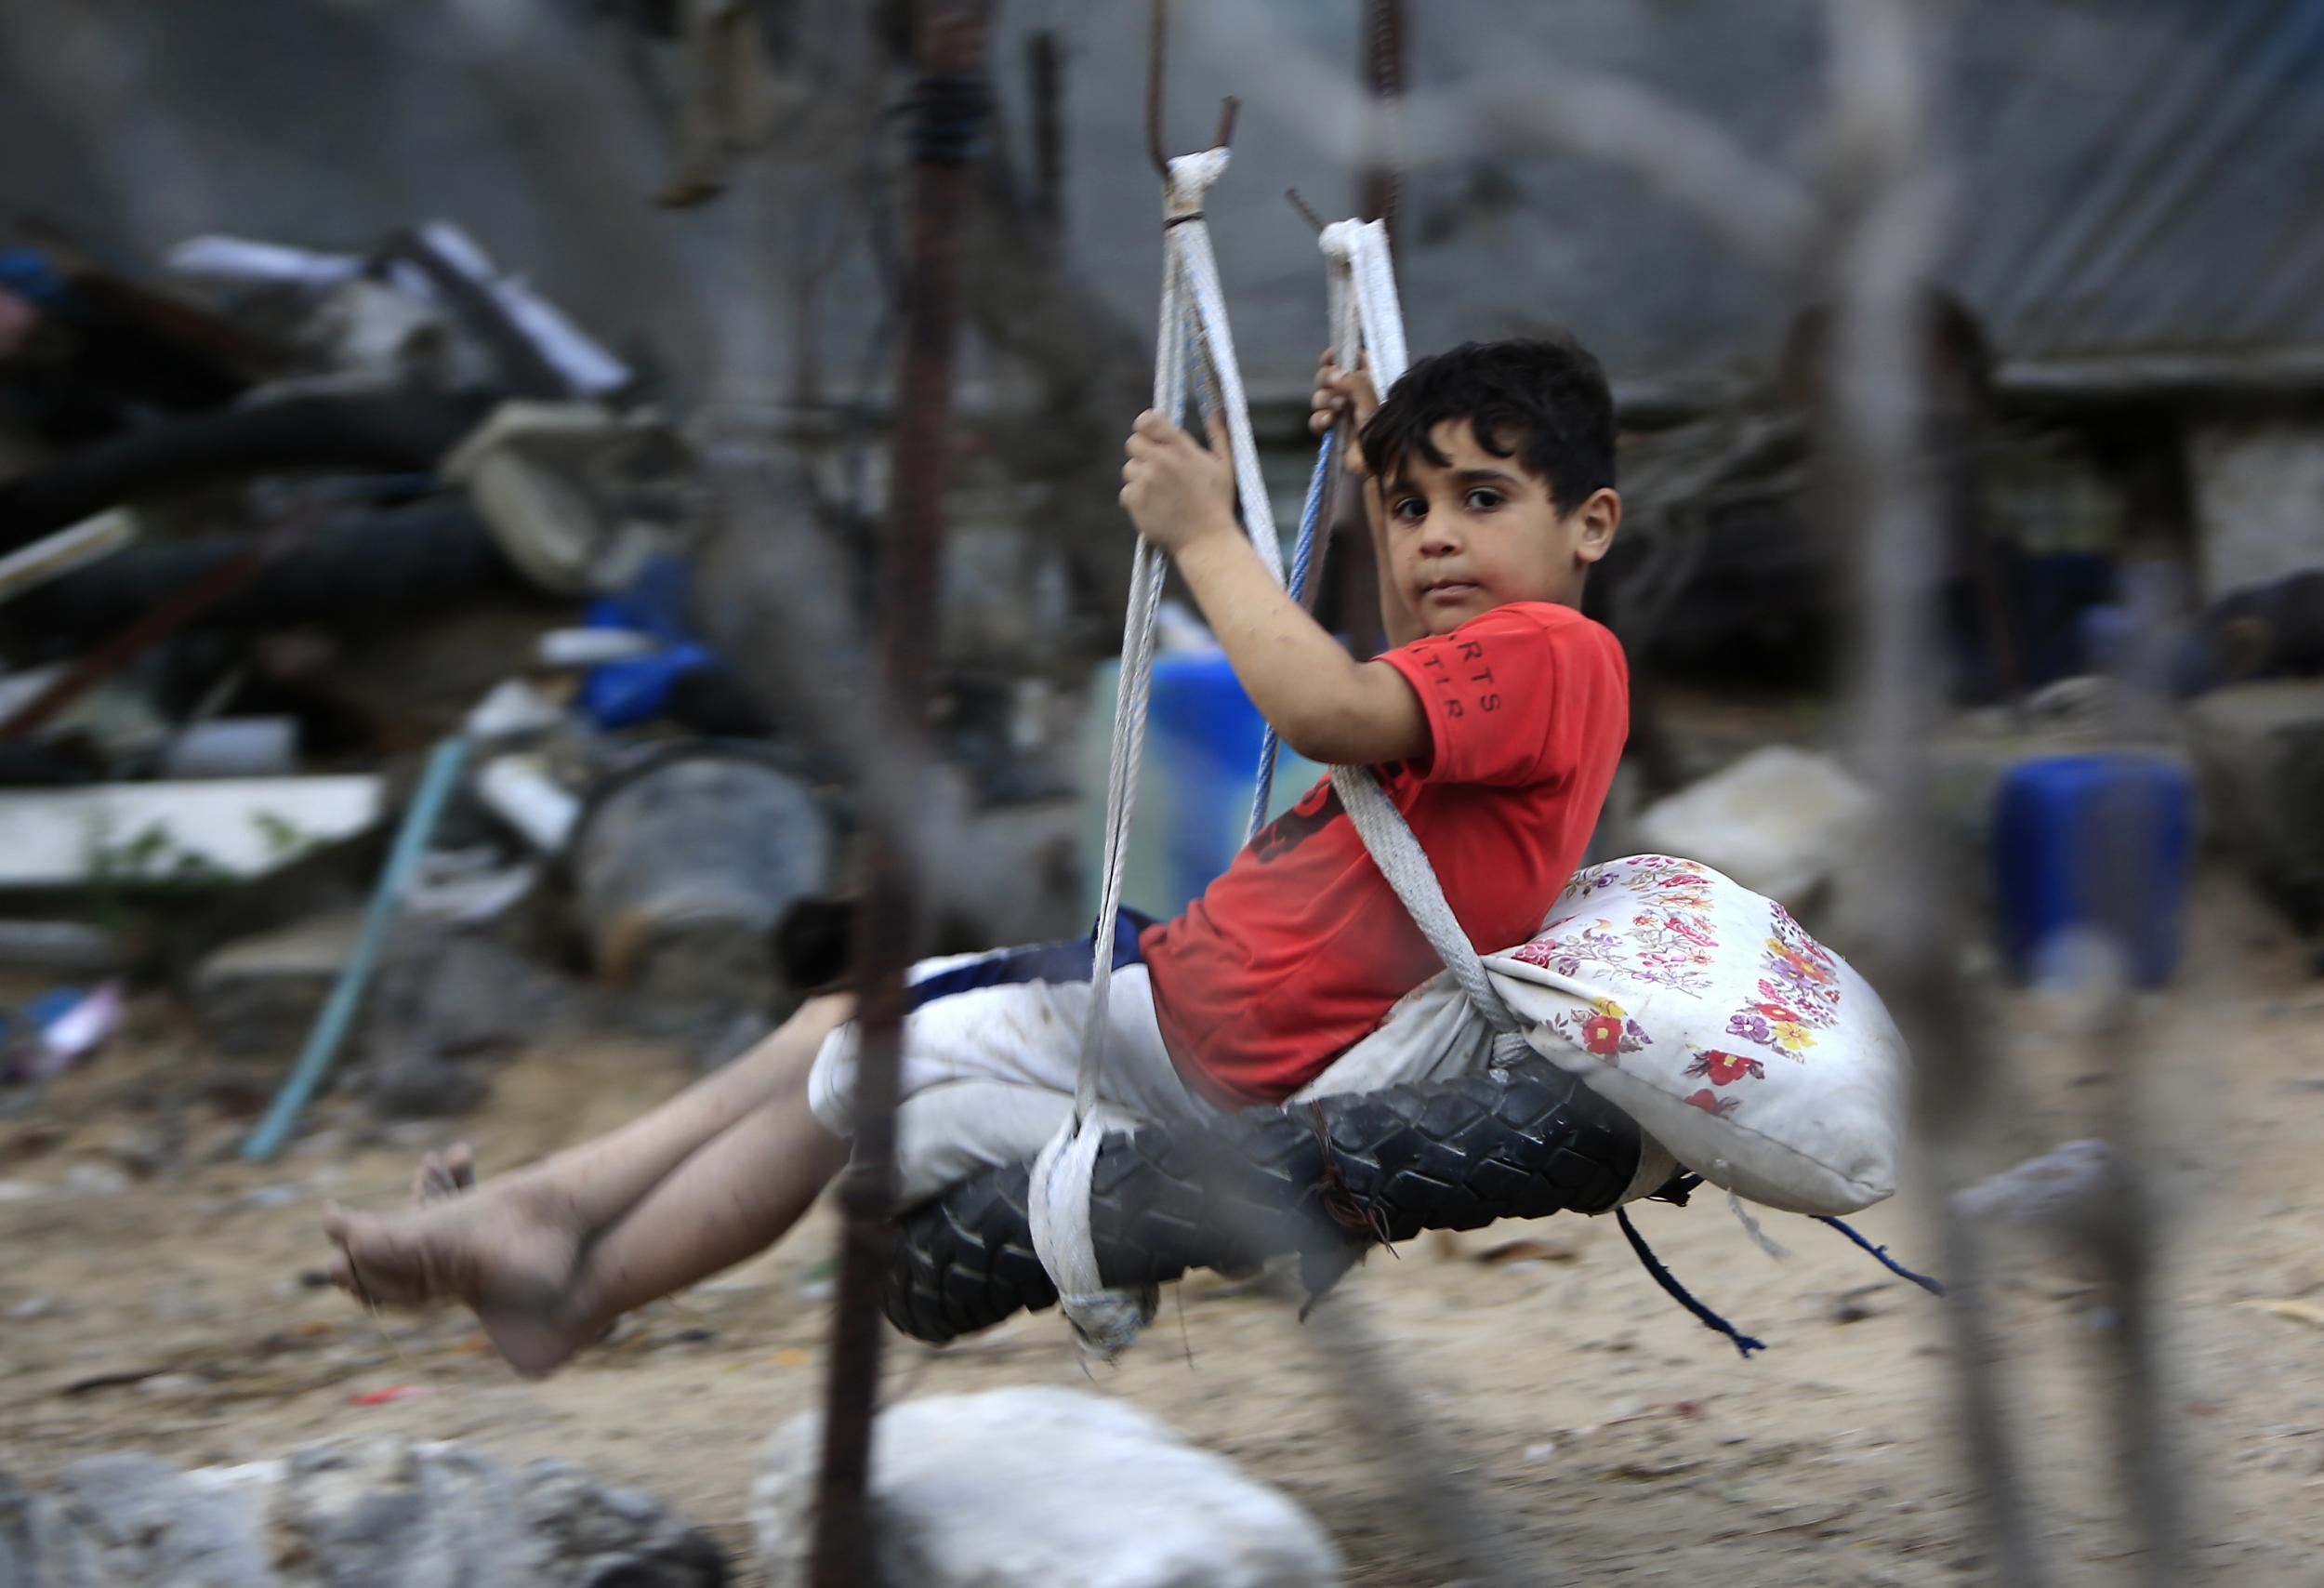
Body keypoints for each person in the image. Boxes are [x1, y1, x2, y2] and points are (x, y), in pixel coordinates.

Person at [321, 335, 1630, 1374]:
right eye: (1409, 508)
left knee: (851, 1055)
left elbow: (1324, 704)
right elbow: (1377, 655)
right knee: (844, 1034)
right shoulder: (1503, 677)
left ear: (1593, 525)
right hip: (1177, 1007)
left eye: (1481, 498)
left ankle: (561, 1241)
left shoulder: (1554, 653)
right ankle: (564, 1255)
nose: (1434, 535)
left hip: (1192, 1034)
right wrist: (1361, 460)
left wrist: (1202, 533)